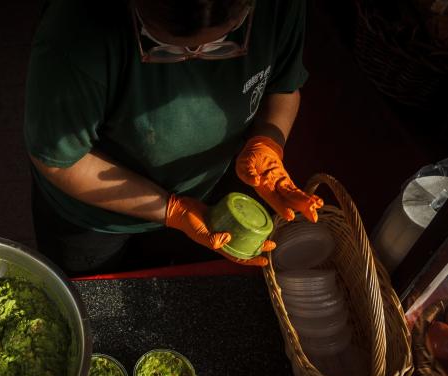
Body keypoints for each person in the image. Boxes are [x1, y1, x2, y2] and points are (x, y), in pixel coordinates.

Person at [24, 0, 323, 275]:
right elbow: (61, 161)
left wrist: (268, 141)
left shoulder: (280, 6)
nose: (195, 59)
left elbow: (283, 87)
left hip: (204, 191)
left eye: (220, 44)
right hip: (95, 216)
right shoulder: (73, 34)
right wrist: (171, 210)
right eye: (170, 49)